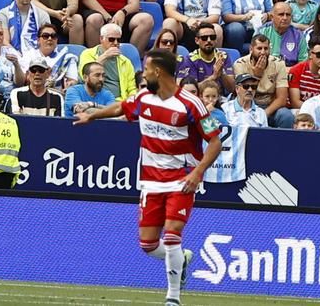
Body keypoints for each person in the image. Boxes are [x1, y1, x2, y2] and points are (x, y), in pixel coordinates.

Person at [77, 47, 224, 306]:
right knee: (148, 244)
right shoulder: (144, 97)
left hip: (182, 178)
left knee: (171, 235)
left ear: (158, 71)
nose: (143, 75)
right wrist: (93, 115)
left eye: (146, 70)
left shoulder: (191, 104)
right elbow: (120, 108)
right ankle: (183, 259)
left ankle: (173, 298)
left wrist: (199, 172)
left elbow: (214, 142)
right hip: (150, 181)